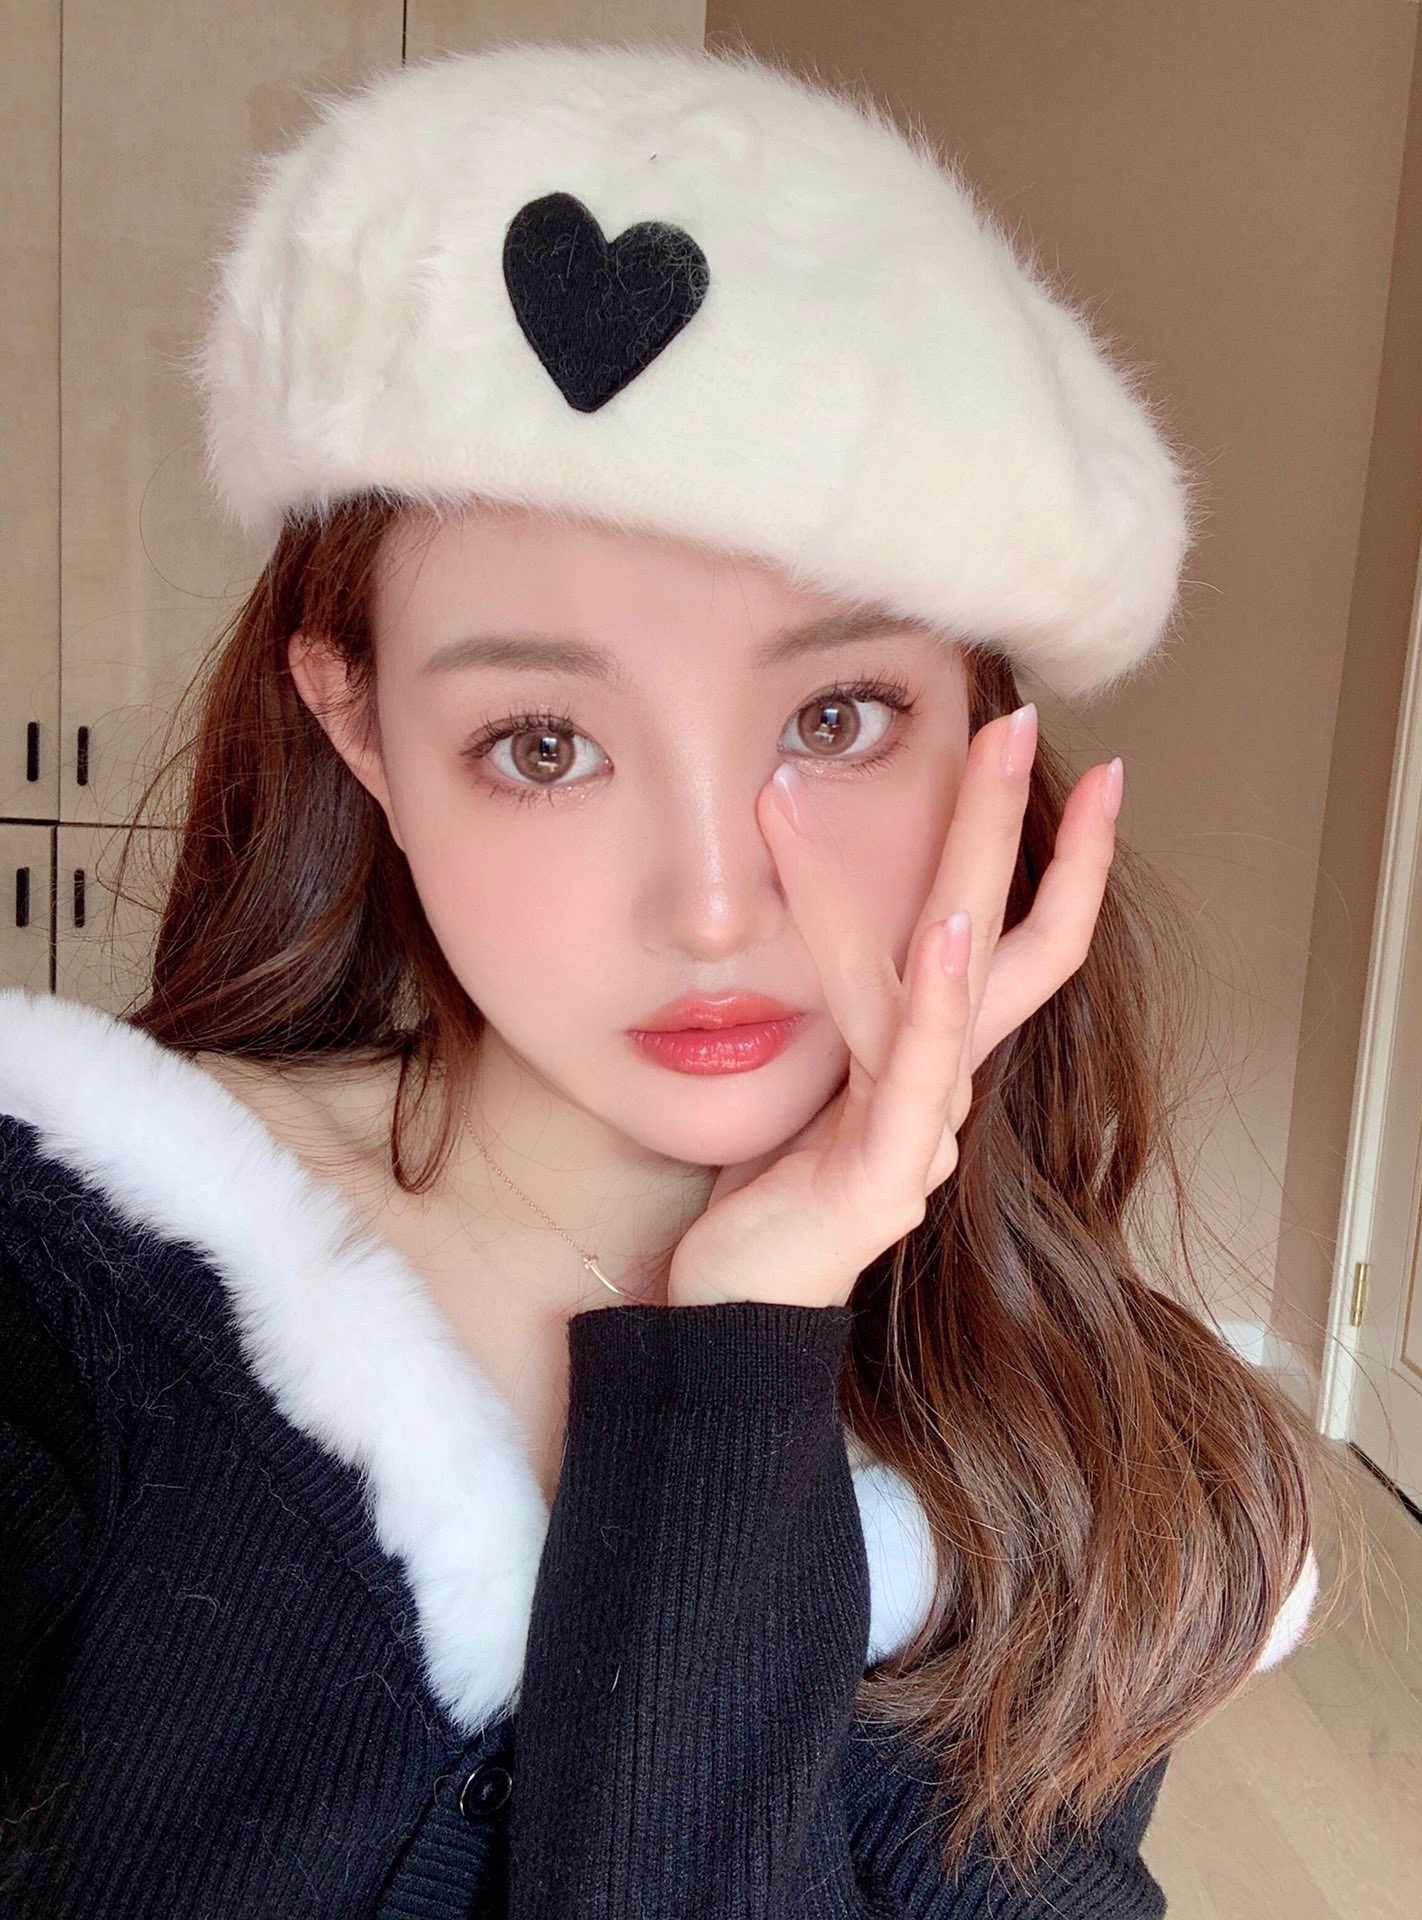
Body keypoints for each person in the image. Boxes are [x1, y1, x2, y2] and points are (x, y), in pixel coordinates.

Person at [0, 36, 1322, 1917]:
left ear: (983, 725)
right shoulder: (77, 1285)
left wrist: (744, 1347)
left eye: (838, 716)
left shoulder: (1081, 1455)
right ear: (361, 729)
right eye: (546, 744)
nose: (712, 908)